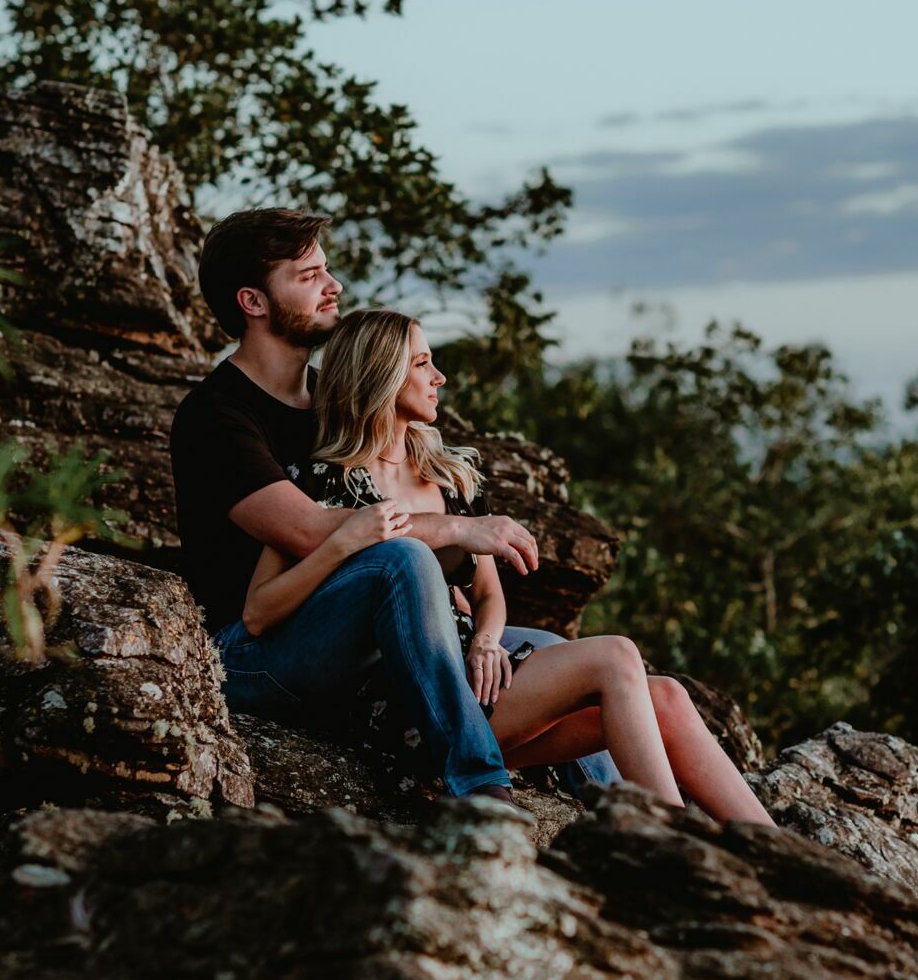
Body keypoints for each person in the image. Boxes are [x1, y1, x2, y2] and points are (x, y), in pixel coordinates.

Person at [240, 307, 773, 825]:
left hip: (475, 679)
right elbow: (260, 611)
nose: (439, 376)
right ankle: (669, 852)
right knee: (615, 657)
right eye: (423, 363)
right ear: (382, 373)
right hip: (406, 703)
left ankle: (778, 856)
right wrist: (343, 546)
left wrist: (487, 642)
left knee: (669, 698)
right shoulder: (321, 482)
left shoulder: (446, 479)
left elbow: (490, 594)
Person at [168, 207, 619, 806]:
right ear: (253, 301)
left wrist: (454, 598)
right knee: (402, 559)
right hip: (255, 653)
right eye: (308, 276)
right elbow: (315, 532)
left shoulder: (334, 405)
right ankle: (481, 785)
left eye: (327, 269)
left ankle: (608, 810)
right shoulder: (218, 418)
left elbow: (389, 486)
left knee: (557, 651)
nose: (334, 287)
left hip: (356, 636)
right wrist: (457, 530)